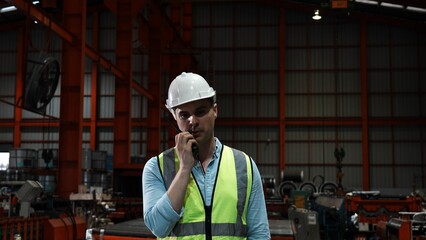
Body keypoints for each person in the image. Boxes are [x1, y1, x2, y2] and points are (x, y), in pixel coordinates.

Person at [142, 72, 271, 239]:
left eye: (200, 112)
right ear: (175, 116)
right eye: (184, 115)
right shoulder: (156, 167)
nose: (192, 121)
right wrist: (184, 169)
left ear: (215, 110)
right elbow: (158, 227)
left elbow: (259, 234)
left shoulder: (244, 165)